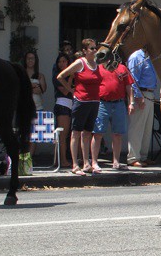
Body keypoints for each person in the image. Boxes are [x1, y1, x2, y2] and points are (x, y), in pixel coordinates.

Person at [57, 39, 103, 175]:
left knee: (87, 132)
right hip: (81, 101)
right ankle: (75, 165)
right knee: (76, 132)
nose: (94, 51)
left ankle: (86, 163)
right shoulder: (80, 63)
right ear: (84, 50)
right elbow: (61, 76)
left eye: (95, 48)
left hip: (94, 102)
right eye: (92, 48)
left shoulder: (97, 64)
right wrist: (71, 91)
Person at [92, 59, 135, 170]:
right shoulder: (98, 68)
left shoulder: (122, 68)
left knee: (118, 134)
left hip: (119, 103)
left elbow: (129, 86)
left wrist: (131, 103)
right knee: (97, 133)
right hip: (102, 103)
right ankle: (94, 162)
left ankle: (116, 162)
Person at [126, 48, 158, 167]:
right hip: (142, 93)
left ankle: (143, 156)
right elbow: (133, 79)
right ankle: (133, 157)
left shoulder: (149, 56)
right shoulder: (136, 57)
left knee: (147, 127)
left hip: (149, 93)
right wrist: (138, 97)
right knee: (137, 126)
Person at [52, 53, 73, 169]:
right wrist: (71, 76)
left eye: (64, 61)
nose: (62, 64)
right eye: (60, 62)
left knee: (64, 135)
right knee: (63, 135)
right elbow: (65, 91)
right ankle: (63, 160)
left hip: (69, 104)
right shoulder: (58, 76)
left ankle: (57, 160)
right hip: (62, 104)